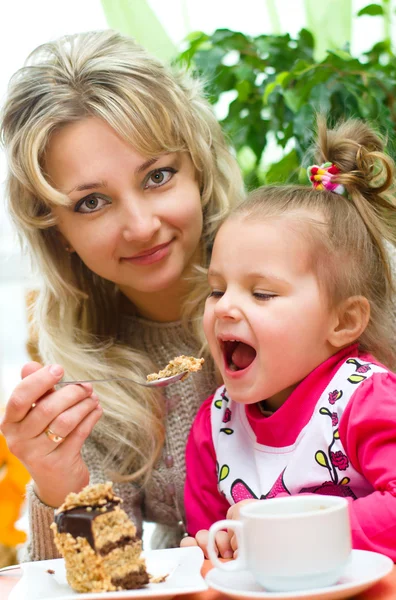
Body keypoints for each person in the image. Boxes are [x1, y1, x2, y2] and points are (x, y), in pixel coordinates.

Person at [0, 29, 244, 560]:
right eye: (91, 203)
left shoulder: (314, 271)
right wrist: (58, 479)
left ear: (197, 168)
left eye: (157, 175)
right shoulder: (84, 378)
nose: (140, 226)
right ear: (55, 230)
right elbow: (108, 573)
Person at [183, 118, 396, 562]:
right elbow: (209, 545)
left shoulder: (364, 400)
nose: (224, 308)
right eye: (217, 289)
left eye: (262, 293)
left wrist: (287, 532)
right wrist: (208, 547)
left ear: (343, 321)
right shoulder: (215, 426)